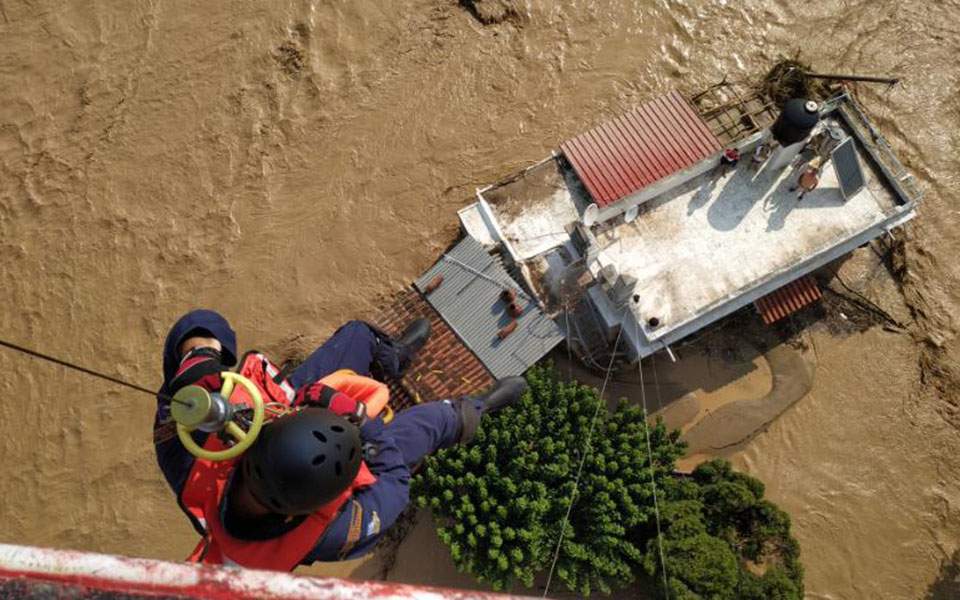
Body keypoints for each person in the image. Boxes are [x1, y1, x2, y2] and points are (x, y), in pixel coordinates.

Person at [153, 309, 527, 570]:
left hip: (288, 407)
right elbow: (395, 485)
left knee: (357, 337)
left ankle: (390, 359)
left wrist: (197, 355)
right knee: (430, 424)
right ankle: (474, 411)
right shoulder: (330, 534)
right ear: (307, 511)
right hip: (359, 441)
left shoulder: (189, 461)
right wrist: (361, 420)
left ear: (251, 447)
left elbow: (197, 328)